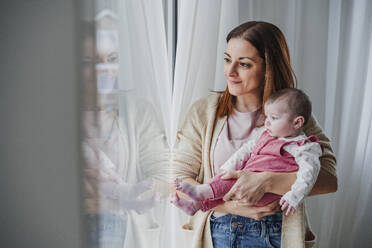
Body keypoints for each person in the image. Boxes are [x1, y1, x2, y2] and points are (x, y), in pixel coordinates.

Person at [171, 21, 337, 248]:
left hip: (276, 233)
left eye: (244, 64)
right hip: (218, 233)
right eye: (227, 59)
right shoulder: (203, 112)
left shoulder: (292, 115)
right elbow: (178, 181)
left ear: (268, 68)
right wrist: (228, 206)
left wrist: (266, 181)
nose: (230, 72)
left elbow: (329, 180)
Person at [172, 88, 321, 218]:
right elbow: (246, 150)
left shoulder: (303, 147)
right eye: (267, 116)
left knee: (230, 183)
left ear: (297, 122)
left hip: (266, 198)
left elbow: (309, 174)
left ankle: (199, 192)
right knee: (227, 183)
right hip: (245, 192)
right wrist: (229, 167)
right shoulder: (266, 135)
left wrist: (294, 196)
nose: (267, 122)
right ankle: (197, 205)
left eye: (274, 118)